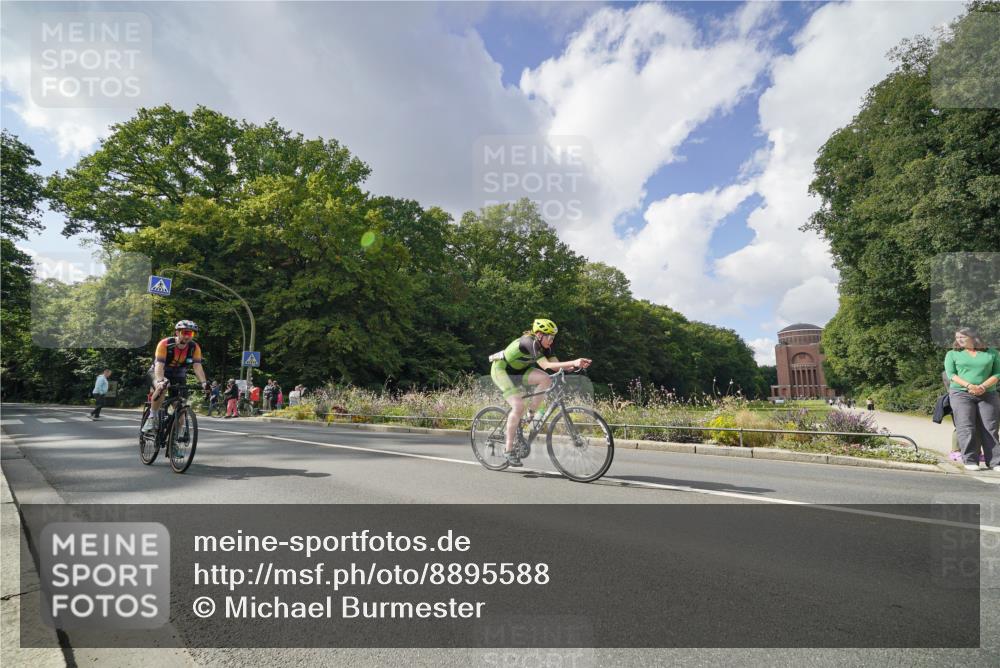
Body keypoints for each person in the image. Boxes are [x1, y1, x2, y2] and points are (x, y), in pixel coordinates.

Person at [489, 318, 592, 467]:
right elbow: (546, 364)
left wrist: (575, 366)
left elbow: (555, 367)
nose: (551, 341)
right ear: (539, 334)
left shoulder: (546, 346)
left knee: (546, 379)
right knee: (517, 406)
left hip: (520, 371)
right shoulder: (528, 342)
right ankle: (508, 449)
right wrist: (573, 362)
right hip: (502, 370)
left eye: (553, 338)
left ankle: (529, 415)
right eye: (549, 337)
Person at [945, 328, 1000, 472]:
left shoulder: (992, 353)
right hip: (961, 394)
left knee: (990, 427)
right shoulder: (952, 354)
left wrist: (982, 386)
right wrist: (969, 386)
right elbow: (951, 374)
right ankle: (970, 460)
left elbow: (997, 373)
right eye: (957, 337)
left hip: (987, 393)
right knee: (966, 427)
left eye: (963, 337)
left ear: (974, 337)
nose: (959, 340)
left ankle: (995, 462)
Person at [143, 320, 210, 433]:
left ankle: (175, 441)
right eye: (185, 333)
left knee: (180, 408)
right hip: (158, 371)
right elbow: (159, 365)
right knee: (162, 387)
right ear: (177, 332)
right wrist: (160, 381)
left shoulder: (194, 347)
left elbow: (197, 366)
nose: (188, 336)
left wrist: (204, 383)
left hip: (178, 374)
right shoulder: (165, 343)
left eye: (191, 334)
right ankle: (152, 417)